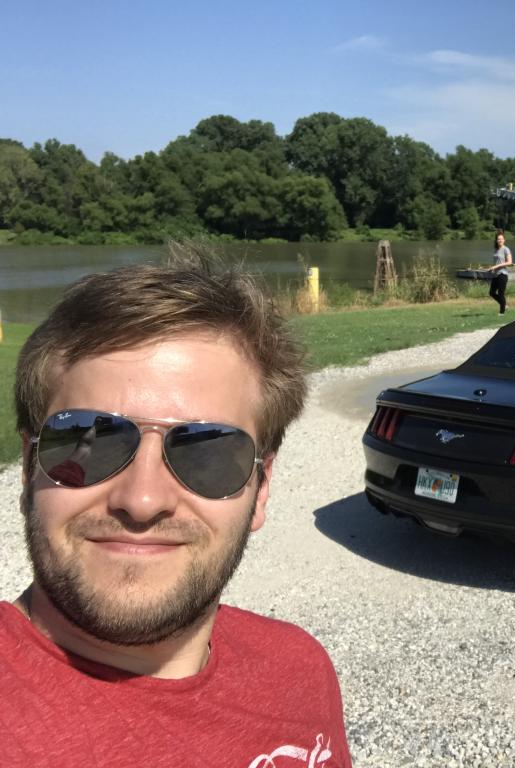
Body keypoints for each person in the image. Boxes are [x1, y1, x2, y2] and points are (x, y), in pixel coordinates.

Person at [1, 246, 352, 767]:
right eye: (91, 440)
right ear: (30, 468)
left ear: (262, 487)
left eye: (207, 450)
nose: (142, 501)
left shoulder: (301, 668)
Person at [488, 231, 513, 315]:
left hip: (503, 274)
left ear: (504, 240)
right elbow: (496, 262)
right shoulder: (496, 250)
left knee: (501, 293)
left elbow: (509, 262)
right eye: (498, 239)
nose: (500, 240)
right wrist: (493, 268)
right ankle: (504, 305)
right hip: (496, 274)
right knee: (491, 292)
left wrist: (496, 266)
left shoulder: (506, 249)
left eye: (501, 239)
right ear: (496, 240)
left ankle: (502, 312)